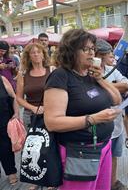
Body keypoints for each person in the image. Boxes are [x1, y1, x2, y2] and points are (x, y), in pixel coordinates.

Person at [44, 29, 122, 190]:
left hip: (103, 146)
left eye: (92, 49)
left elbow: (117, 99)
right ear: (71, 51)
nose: (91, 53)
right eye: (85, 49)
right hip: (79, 152)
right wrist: (93, 119)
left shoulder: (91, 75)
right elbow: (52, 122)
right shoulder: (61, 76)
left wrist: (100, 79)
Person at [95, 40, 128, 190]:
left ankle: (112, 182)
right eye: (108, 53)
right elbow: (120, 87)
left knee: (114, 155)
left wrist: (101, 83)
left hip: (116, 123)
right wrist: (113, 85)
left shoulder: (112, 69)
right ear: (100, 56)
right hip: (100, 124)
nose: (112, 55)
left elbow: (125, 85)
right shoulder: (89, 71)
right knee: (99, 158)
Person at [16, 43, 52, 131]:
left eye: (39, 52)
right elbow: (19, 98)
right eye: (33, 52)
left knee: (52, 142)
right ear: (29, 56)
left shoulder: (51, 70)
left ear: (43, 54)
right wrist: (33, 108)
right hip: (30, 115)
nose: (36, 54)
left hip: (51, 113)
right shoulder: (23, 74)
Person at [0, 75, 19, 186]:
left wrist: (16, 113)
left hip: (4, 120)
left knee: (6, 147)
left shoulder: (2, 79)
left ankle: (11, 172)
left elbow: (13, 97)